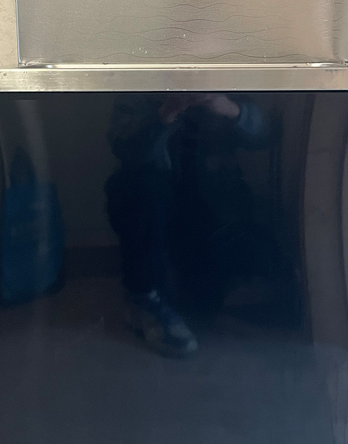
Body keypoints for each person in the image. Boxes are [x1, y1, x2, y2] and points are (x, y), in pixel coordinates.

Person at [105, 93, 272, 357]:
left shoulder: (227, 81)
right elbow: (125, 150)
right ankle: (143, 294)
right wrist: (165, 114)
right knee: (139, 186)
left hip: (209, 211)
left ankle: (191, 284)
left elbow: (265, 135)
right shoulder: (138, 89)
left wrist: (231, 110)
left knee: (203, 306)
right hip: (155, 205)